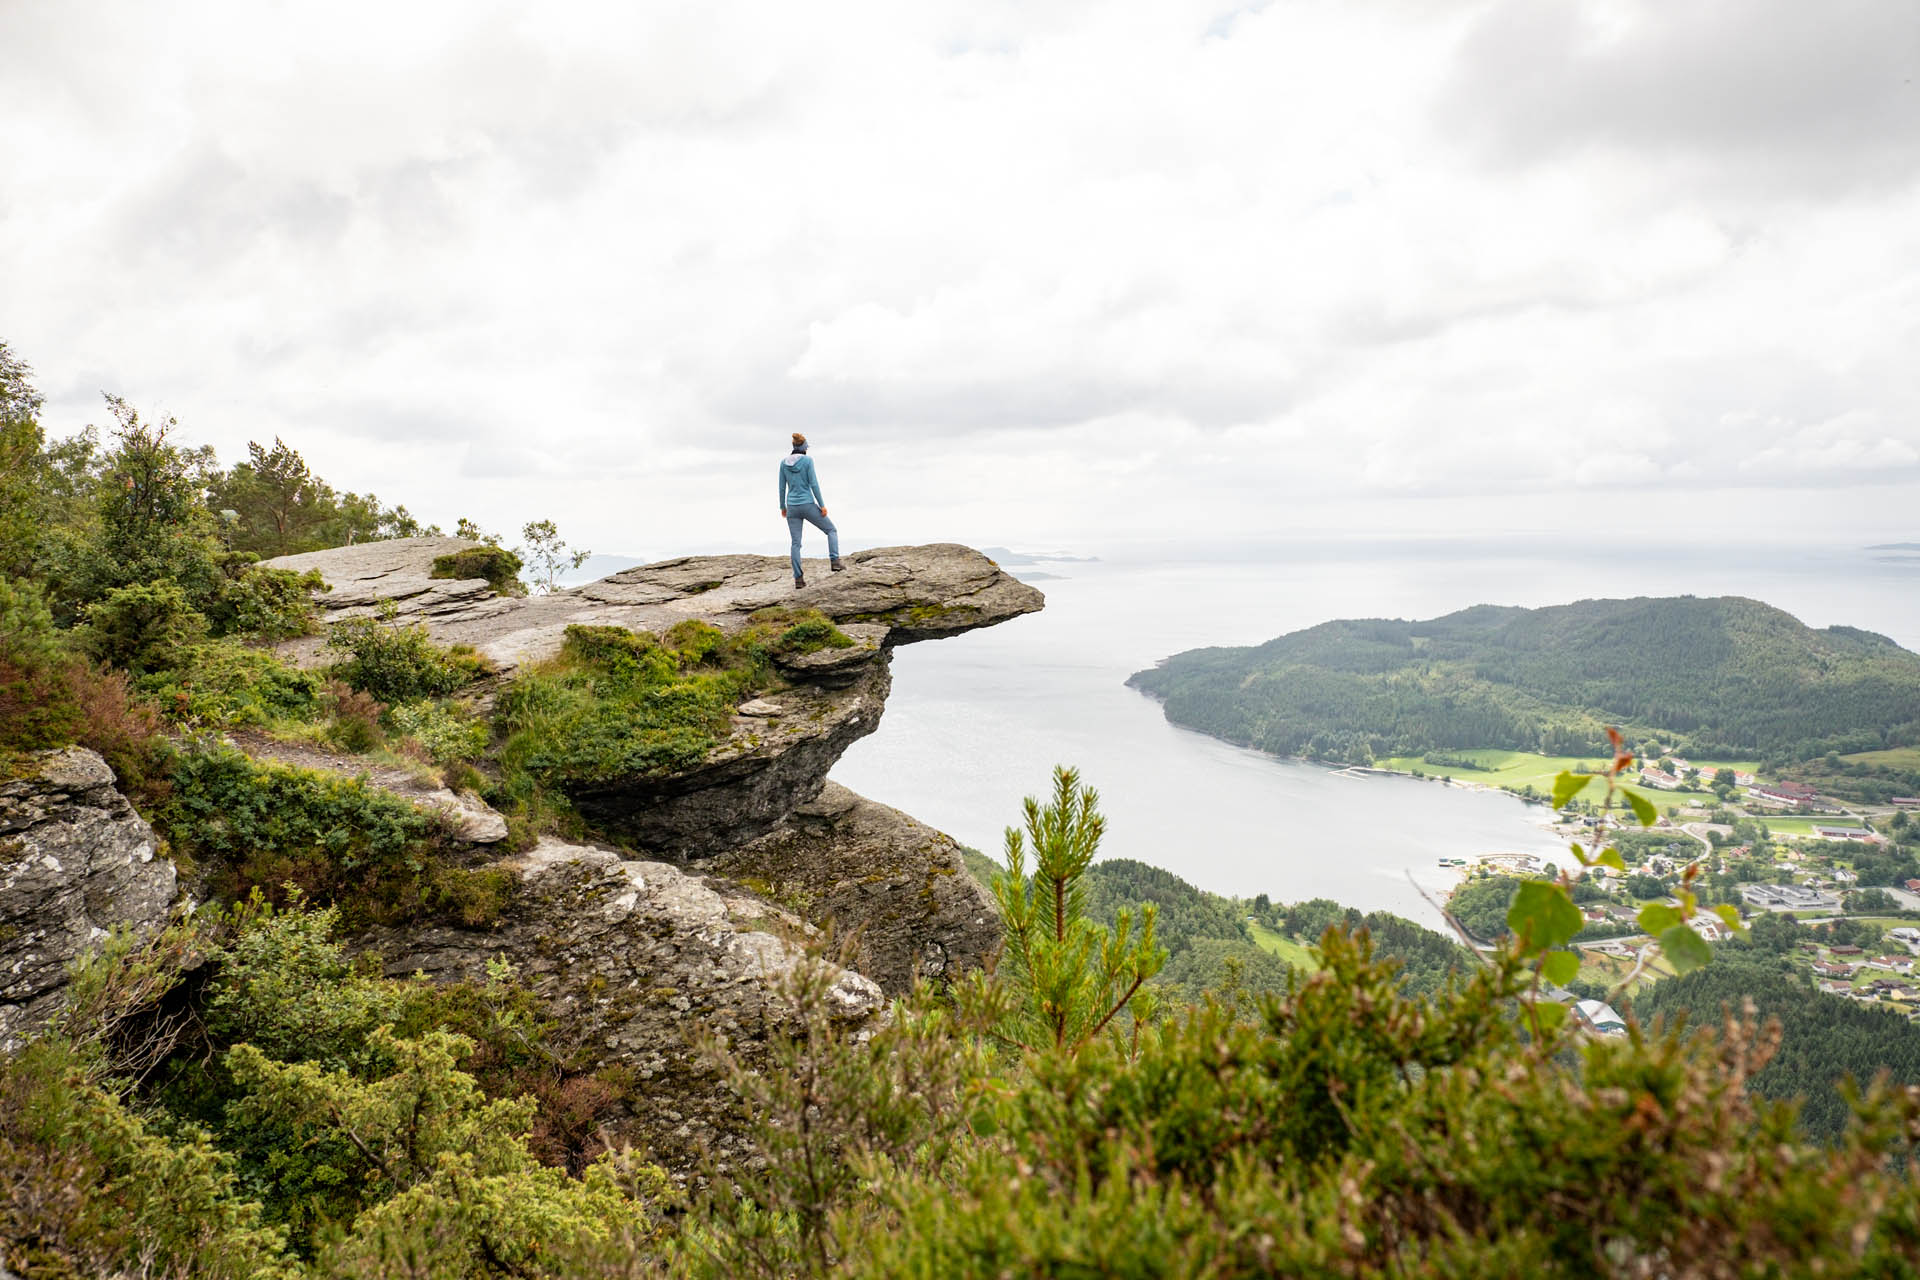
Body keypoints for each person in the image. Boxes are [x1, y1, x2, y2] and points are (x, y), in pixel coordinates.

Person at [778, 432, 842, 588]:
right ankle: (835, 562)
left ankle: (798, 580)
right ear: (805, 447)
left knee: (795, 544)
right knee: (831, 530)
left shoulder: (783, 463)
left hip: (792, 507)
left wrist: (782, 507)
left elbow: (781, 488)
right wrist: (822, 505)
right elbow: (814, 484)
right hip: (807, 504)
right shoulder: (808, 461)